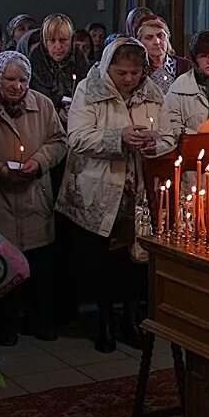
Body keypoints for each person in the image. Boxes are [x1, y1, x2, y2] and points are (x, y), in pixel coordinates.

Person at [56, 37, 175, 352]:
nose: (128, 79)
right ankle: (104, 320)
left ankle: (132, 316)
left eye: (135, 73)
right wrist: (118, 137)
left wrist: (155, 145)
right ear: (108, 66)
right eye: (122, 72)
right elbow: (78, 138)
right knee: (101, 260)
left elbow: (167, 136)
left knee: (134, 258)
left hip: (137, 191)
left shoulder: (153, 92)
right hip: (98, 188)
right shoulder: (88, 90)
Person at [0, 51, 67, 345]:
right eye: (10, 79)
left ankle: (39, 321)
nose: (17, 86)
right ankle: (4, 325)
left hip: (34, 194)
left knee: (40, 263)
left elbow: (58, 141)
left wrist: (38, 162)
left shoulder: (41, 104)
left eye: (23, 80)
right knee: (4, 262)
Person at [29, 13, 90, 123]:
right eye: (52, 41)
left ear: (71, 40)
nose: (58, 46)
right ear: (44, 41)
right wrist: (56, 112)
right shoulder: (34, 66)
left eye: (63, 40)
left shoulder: (81, 63)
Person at [134, 14, 191, 94]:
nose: (157, 42)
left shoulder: (185, 66)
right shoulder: (137, 69)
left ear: (168, 38)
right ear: (140, 42)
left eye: (160, 36)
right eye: (149, 37)